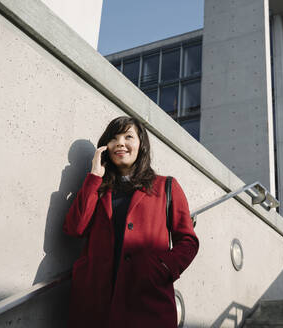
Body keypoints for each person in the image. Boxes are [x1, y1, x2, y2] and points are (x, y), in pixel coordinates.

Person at [63, 116, 199, 328]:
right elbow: (75, 228)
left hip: (146, 301)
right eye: (114, 138)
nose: (120, 143)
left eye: (128, 136)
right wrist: (94, 177)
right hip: (94, 304)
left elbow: (188, 241)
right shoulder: (97, 187)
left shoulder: (166, 187)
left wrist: (162, 268)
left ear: (141, 144)